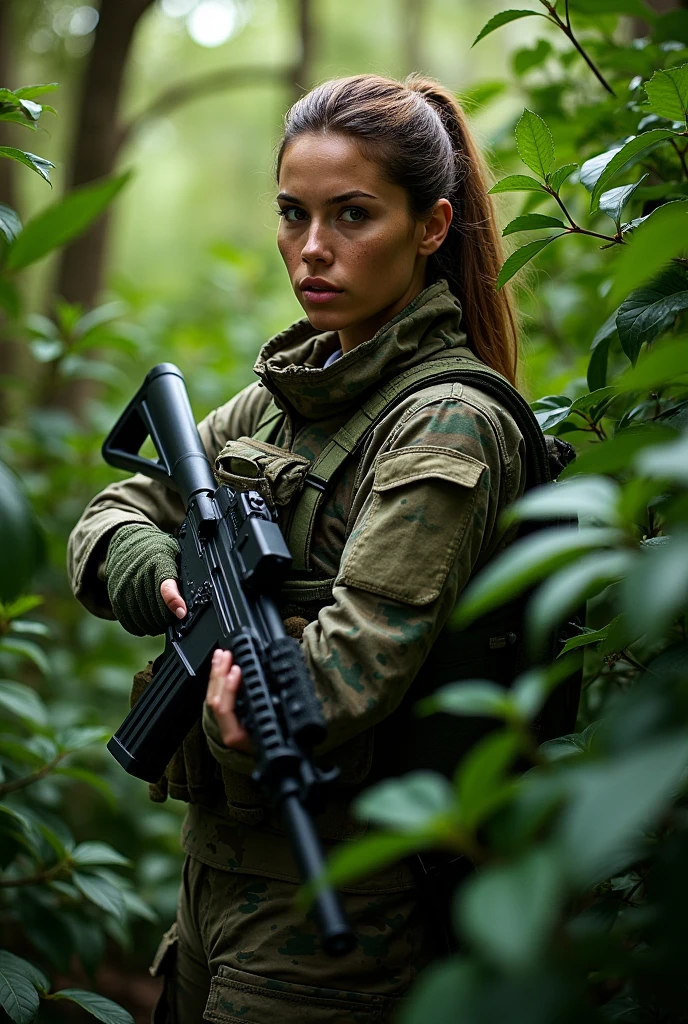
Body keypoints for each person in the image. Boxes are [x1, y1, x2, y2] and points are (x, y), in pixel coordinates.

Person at [67, 73, 532, 1023]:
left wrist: (279, 700)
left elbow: (357, 658)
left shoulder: (447, 422)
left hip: (341, 910)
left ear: (432, 226)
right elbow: (111, 510)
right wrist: (157, 574)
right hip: (214, 881)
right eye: (293, 214)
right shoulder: (289, 392)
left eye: (352, 215)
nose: (312, 250)